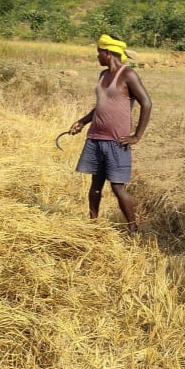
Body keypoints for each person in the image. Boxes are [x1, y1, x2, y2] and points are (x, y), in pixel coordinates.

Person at [68, 34, 152, 235]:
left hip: (117, 141)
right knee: (95, 184)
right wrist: (82, 121)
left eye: (99, 52)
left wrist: (136, 136)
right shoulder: (103, 75)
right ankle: (93, 224)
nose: (97, 56)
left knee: (117, 187)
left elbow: (146, 103)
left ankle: (133, 228)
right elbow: (100, 106)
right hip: (96, 138)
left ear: (107, 53)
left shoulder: (127, 74)